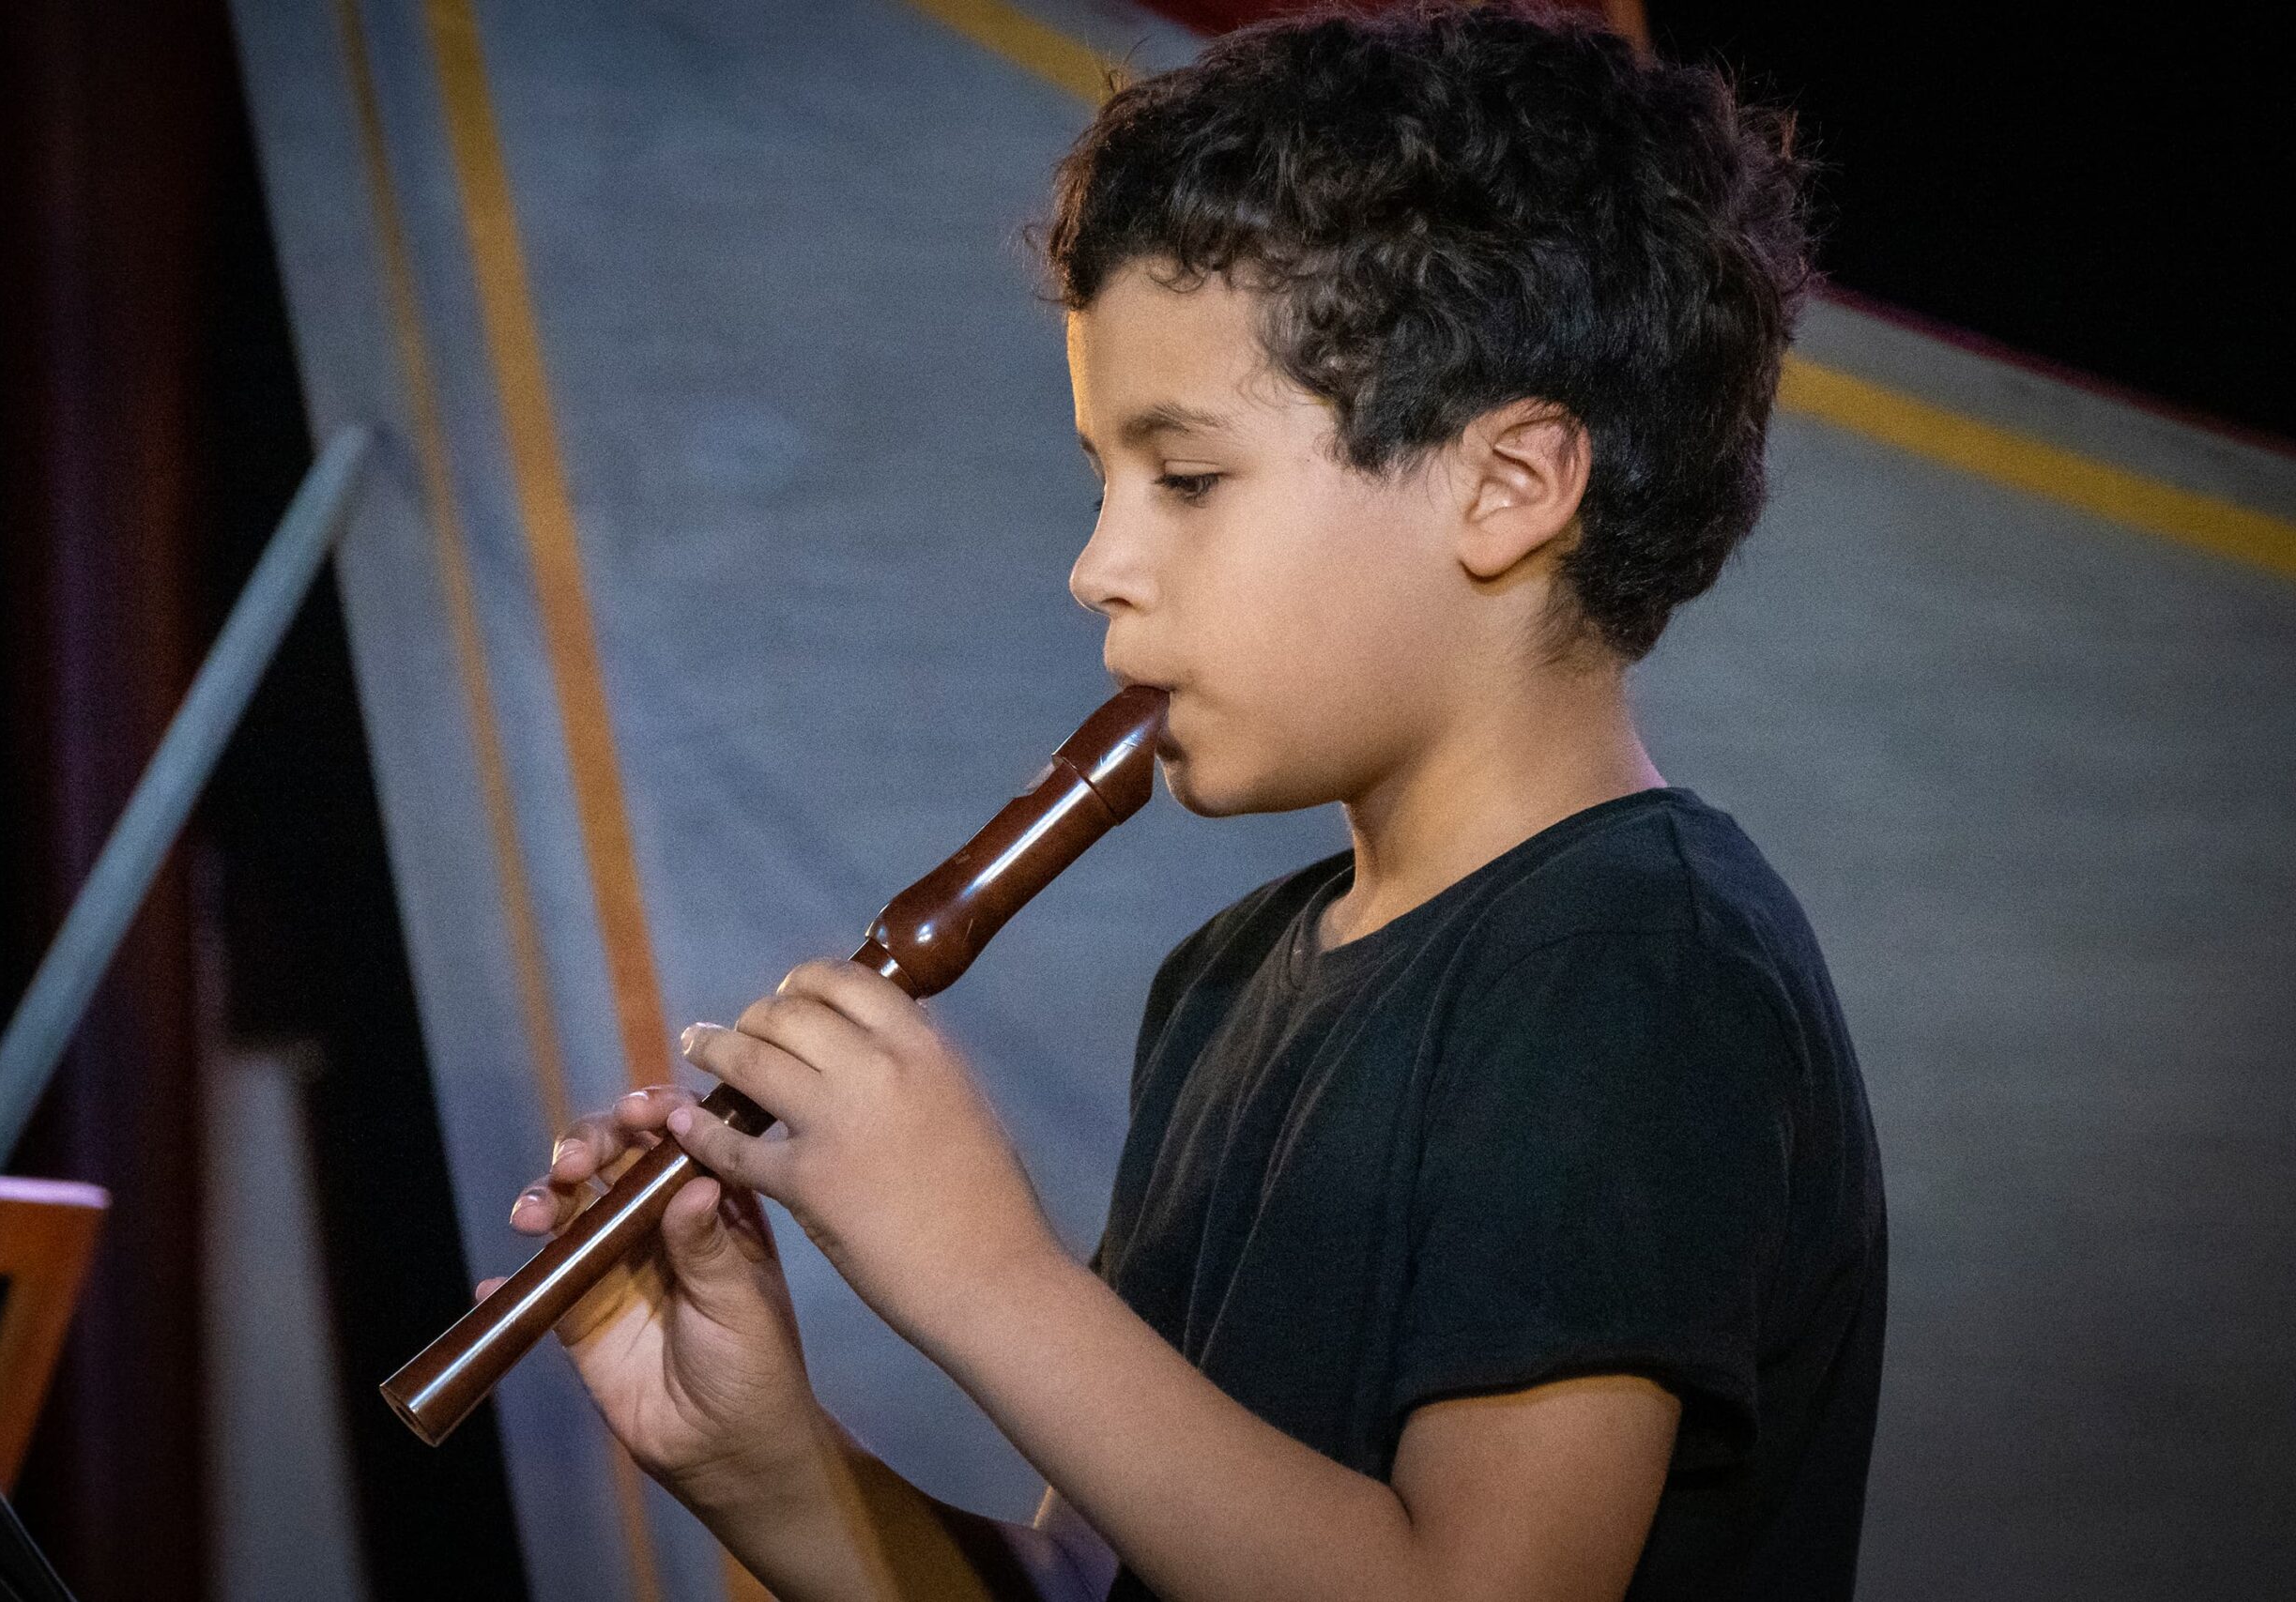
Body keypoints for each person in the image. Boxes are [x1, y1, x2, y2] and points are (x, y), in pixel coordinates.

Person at [501, 4, 1885, 1597]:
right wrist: (765, 1466)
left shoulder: (1634, 967)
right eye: (1105, 479)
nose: (1099, 566)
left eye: (1188, 478)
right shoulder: (1227, 982)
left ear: (1507, 487)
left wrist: (985, 1276)